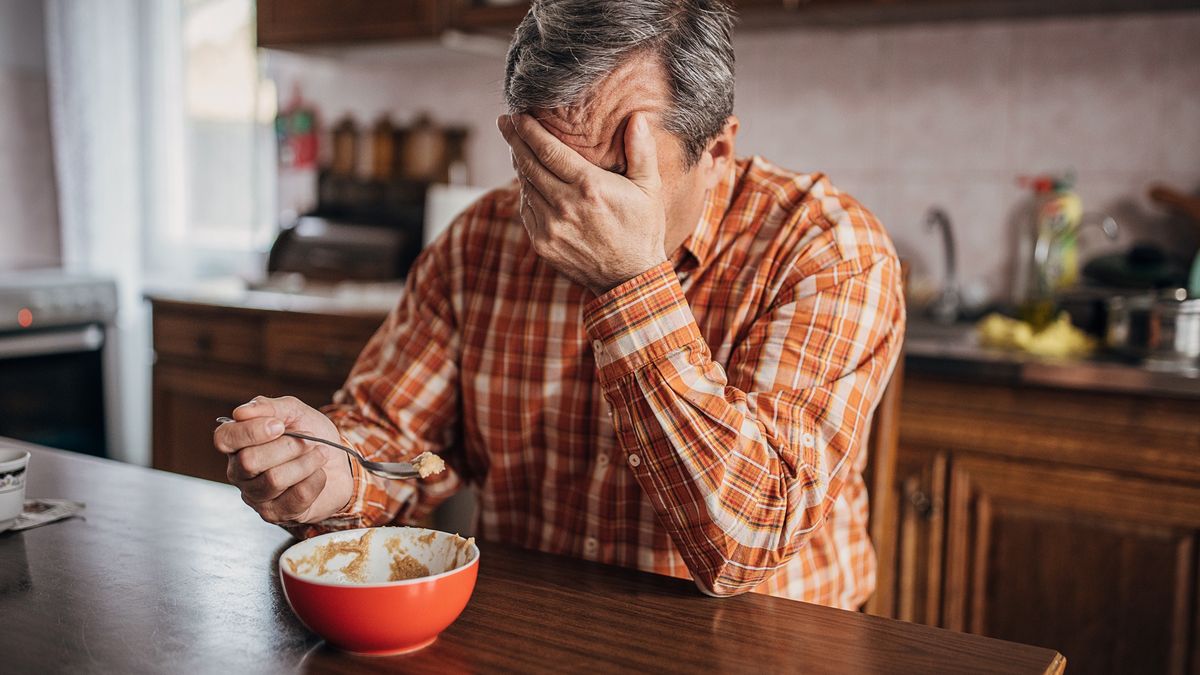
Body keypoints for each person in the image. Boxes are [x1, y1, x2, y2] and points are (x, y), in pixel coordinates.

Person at [213, 0, 904, 607]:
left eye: (614, 178)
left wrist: (630, 284)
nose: (572, 212)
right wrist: (328, 471)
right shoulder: (480, 241)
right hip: (538, 627)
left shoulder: (828, 249)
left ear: (717, 150)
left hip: (768, 644)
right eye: (543, 171)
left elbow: (749, 540)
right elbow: (392, 436)